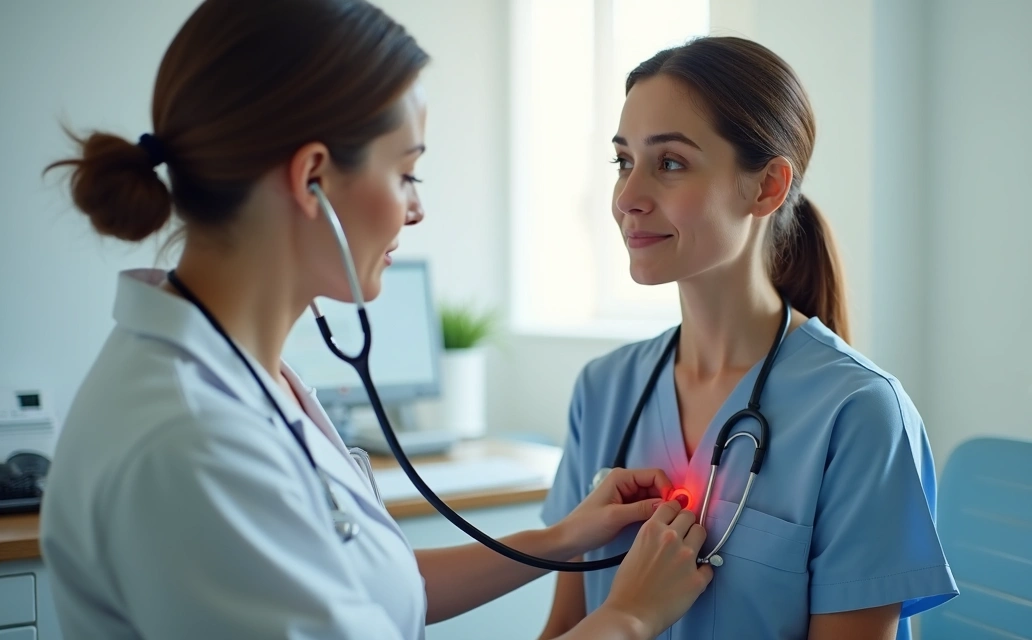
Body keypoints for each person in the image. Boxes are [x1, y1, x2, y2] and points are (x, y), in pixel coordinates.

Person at [37, 1, 712, 638]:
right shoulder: (191, 442)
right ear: (312, 181)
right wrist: (626, 618)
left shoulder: (243, 375)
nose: (415, 211)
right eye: (407, 174)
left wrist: (561, 536)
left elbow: (354, 585)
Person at [539, 37, 959, 640]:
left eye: (671, 163)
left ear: (766, 187)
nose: (628, 198)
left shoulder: (860, 415)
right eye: (623, 162)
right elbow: (564, 627)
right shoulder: (604, 388)